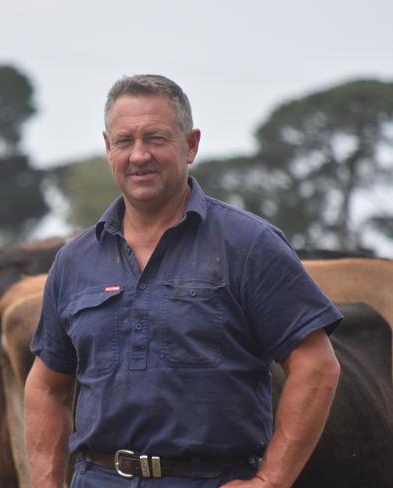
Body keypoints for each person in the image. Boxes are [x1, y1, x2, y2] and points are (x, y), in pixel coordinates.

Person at [24, 74, 341, 488]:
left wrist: (271, 481)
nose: (139, 155)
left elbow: (316, 365)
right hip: (98, 478)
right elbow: (47, 387)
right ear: (108, 148)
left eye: (155, 138)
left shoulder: (249, 244)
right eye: (124, 141)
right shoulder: (75, 260)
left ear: (190, 144)